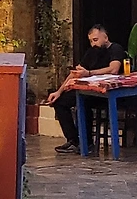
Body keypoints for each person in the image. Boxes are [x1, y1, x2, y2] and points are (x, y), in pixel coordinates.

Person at [48, 23, 125, 153]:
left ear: (105, 37)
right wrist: (59, 91)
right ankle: (74, 140)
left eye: (95, 40)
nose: (93, 44)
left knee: (84, 102)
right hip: (88, 91)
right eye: (91, 41)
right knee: (60, 102)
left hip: (106, 93)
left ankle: (87, 143)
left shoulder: (115, 49)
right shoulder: (92, 52)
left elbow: (114, 69)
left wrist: (89, 73)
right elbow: (76, 73)